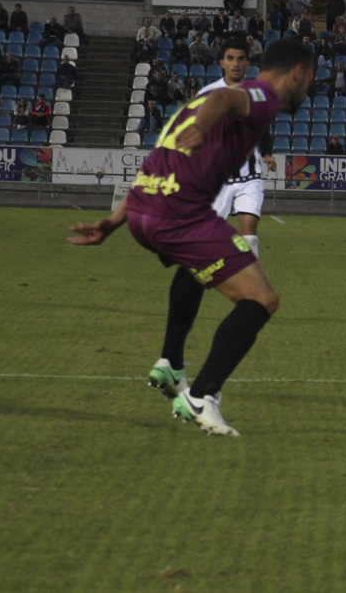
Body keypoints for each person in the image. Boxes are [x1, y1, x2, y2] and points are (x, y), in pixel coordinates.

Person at [68, 40, 314, 437]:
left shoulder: (197, 102)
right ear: (299, 73)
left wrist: (112, 223)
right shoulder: (261, 95)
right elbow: (227, 101)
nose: (308, 90)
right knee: (261, 299)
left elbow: (158, 157)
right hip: (179, 214)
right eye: (310, 80)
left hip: (143, 212)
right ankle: (202, 396)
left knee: (198, 271)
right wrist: (202, 127)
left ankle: (171, 362)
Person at [206, 39, 277, 260]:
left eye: (241, 59)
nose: (236, 64)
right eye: (230, 58)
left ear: (247, 63)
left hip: (249, 175)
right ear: (222, 63)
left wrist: (266, 153)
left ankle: (249, 285)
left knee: (250, 238)